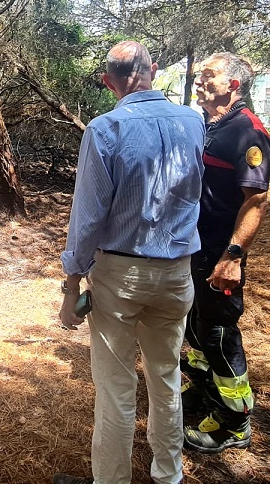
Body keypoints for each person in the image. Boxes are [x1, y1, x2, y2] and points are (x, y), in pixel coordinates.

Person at [52, 41, 205, 484]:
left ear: (108, 82)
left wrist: (71, 286)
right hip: (177, 272)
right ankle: (168, 475)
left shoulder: (105, 129)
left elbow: (87, 216)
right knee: (166, 375)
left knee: (116, 387)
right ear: (153, 69)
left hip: (120, 274)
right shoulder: (193, 122)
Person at [180, 52, 270, 454]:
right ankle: (206, 393)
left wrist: (233, 256)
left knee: (218, 335)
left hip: (220, 253)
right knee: (195, 327)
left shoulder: (247, 131)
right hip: (195, 249)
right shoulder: (210, 124)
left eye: (209, 76)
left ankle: (234, 421)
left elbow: (256, 200)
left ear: (233, 85)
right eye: (200, 75)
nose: (200, 82)